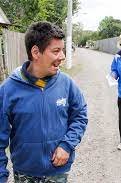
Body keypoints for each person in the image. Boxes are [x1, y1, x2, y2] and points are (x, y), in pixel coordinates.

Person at [0, 21, 88, 182]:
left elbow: (80, 115)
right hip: (25, 172)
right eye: (56, 51)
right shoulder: (8, 90)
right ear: (35, 52)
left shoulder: (67, 84)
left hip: (58, 170)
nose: (62, 56)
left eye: (62, 50)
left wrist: (67, 145)